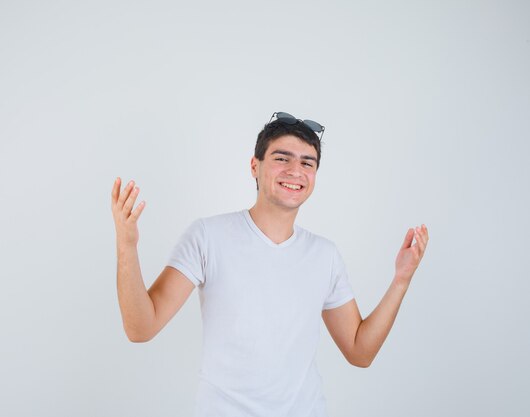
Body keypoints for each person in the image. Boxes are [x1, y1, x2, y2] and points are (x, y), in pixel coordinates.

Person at [111, 111, 429, 417]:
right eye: (281, 158)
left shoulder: (325, 255)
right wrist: (127, 246)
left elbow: (360, 352)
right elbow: (141, 328)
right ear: (255, 166)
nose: (295, 171)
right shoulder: (208, 236)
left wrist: (401, 279)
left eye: (308, 163)